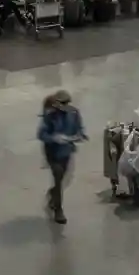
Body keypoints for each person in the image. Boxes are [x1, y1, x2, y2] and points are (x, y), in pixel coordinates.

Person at [38, 91, 86, 224]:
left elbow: (80, 129)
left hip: (67, 151)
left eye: (67, 103)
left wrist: (79, 136)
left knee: (65, 178)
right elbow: (41, 134)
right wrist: (54, 138)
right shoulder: (50, 116)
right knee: (58, 177)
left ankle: (53, 194)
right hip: (53, 152)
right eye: (62, 103)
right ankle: (58, 210)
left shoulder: (74, 113)